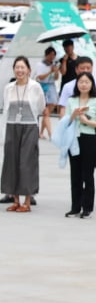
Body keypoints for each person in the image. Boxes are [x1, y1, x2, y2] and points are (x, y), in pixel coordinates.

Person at [2, 56, 48, 213]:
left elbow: (42, 106)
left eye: (23, 67)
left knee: (26, 162)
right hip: (12, 126)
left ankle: (27, 201)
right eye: (17, 67)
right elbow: (6, 108)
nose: (19, 70)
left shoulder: (35, 87)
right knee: (12, 161)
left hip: (29, 127)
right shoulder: (8, 87)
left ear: (29, 70)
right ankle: (15, 199)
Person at [63, 72, 96, 218]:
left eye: (86, 82)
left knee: (87, 174)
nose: (83, 84)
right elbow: (66, 122)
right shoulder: (72, 100)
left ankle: (87, 207)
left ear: (91, 84)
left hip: (90, 138)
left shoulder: (95, 101)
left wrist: (86, 121)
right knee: (75, 173)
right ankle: (75, 207)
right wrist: (74, 115)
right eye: (81, 82)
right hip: (74, 138)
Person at [35, 46, 61, 123]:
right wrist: (50, 71)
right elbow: (40, 77)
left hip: (51, 84)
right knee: (41, 102)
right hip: (42, 84)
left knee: (53, 101)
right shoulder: (40, 64)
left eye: (53, 55)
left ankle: (46, 115)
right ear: (46, 55)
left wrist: (56, 71)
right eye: (50, 55)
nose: (52, 57)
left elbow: (56, 78)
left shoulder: (54, 64)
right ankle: (43, 116)